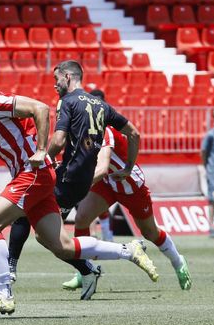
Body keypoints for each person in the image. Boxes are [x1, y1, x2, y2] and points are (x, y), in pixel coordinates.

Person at [0, 61, 156, 315]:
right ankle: (128, 250)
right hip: (36, 175)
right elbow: (9, 148)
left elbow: (40, 108)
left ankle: (3, 293)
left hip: (32, 174)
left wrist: (40, 151)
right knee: (63, 246)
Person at [0, 61, 116, 299]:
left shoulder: (68, 104)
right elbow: (130, 133)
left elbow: (59, 140)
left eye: (57, 78)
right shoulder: (86, 113)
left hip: (64, 178)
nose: (54, 84)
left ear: (68, 77)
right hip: (61, 174)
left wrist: (43, 156)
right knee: (53, 240)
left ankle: (9, 276)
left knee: (18, 222)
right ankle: (119, 254)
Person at [72, 107, 191, 290]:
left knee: (149, 232)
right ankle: (85, 271)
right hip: (107, 183)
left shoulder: (105, 132)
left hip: (129, 185)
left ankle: (178, 261)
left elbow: (103, 167)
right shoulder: (82, 131)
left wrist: (77, 184)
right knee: (81, 219)